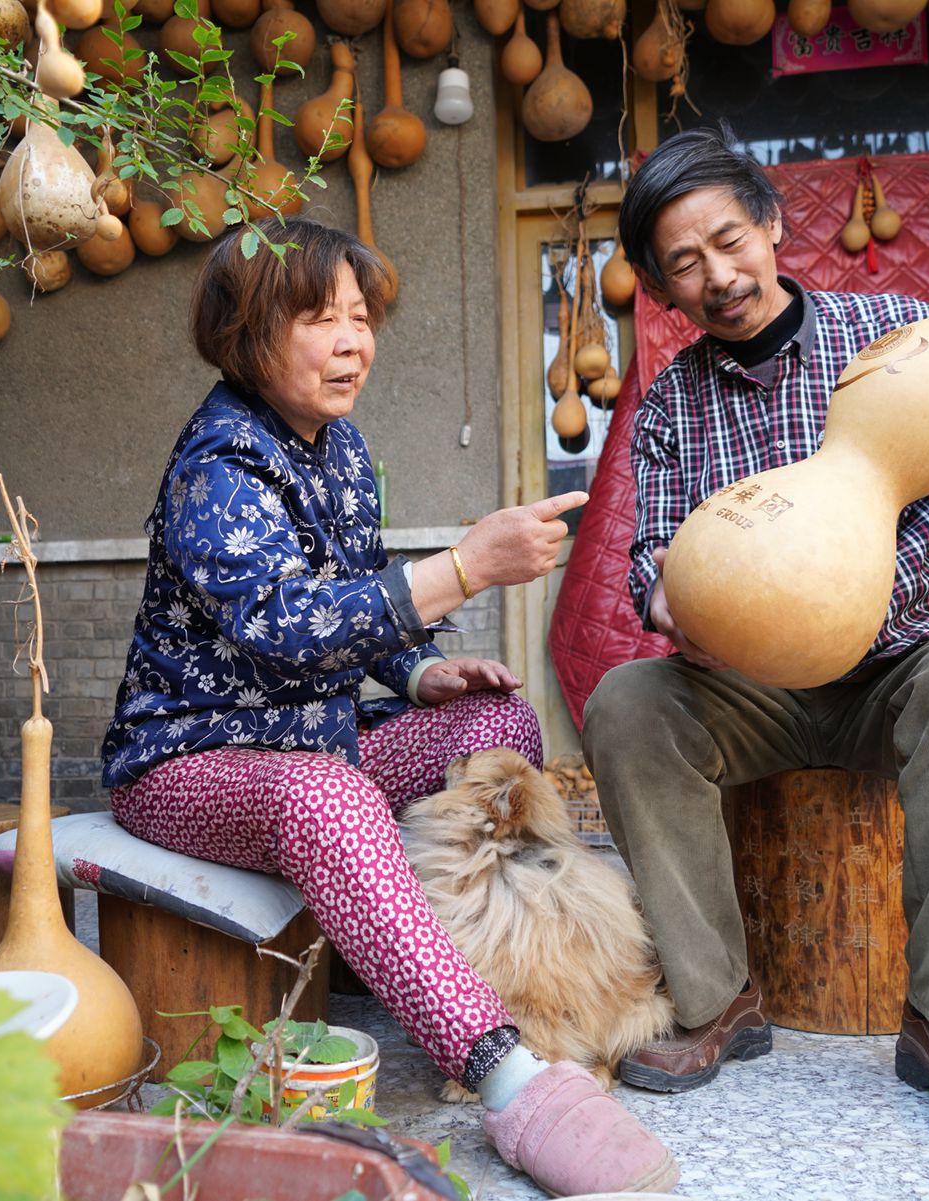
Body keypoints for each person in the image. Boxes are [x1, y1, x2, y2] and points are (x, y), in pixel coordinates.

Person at [102, 218, 678, 1195]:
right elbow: (289, 628)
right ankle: (508, 1071)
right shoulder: (219, 468)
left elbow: (360, 597)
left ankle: (418, 954)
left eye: (360, 318)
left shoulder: (345, 451)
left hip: (321, 740)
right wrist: (464, 566)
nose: (350, 340)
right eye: (319, 318)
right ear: (248, 332)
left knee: (499, 728)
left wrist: (419, 676)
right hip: (185, 770)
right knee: (329, 801)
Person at [582, 126, 929, 1147]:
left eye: (729, 239)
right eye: (684, 264)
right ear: (663, 293)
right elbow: (647, 566)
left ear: (770, 225)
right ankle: (717, 995)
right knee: (628, 703)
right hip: (751, 686)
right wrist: (680, 602)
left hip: (906, 662)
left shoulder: (896, 334)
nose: (718, 276)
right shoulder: (670, 404)